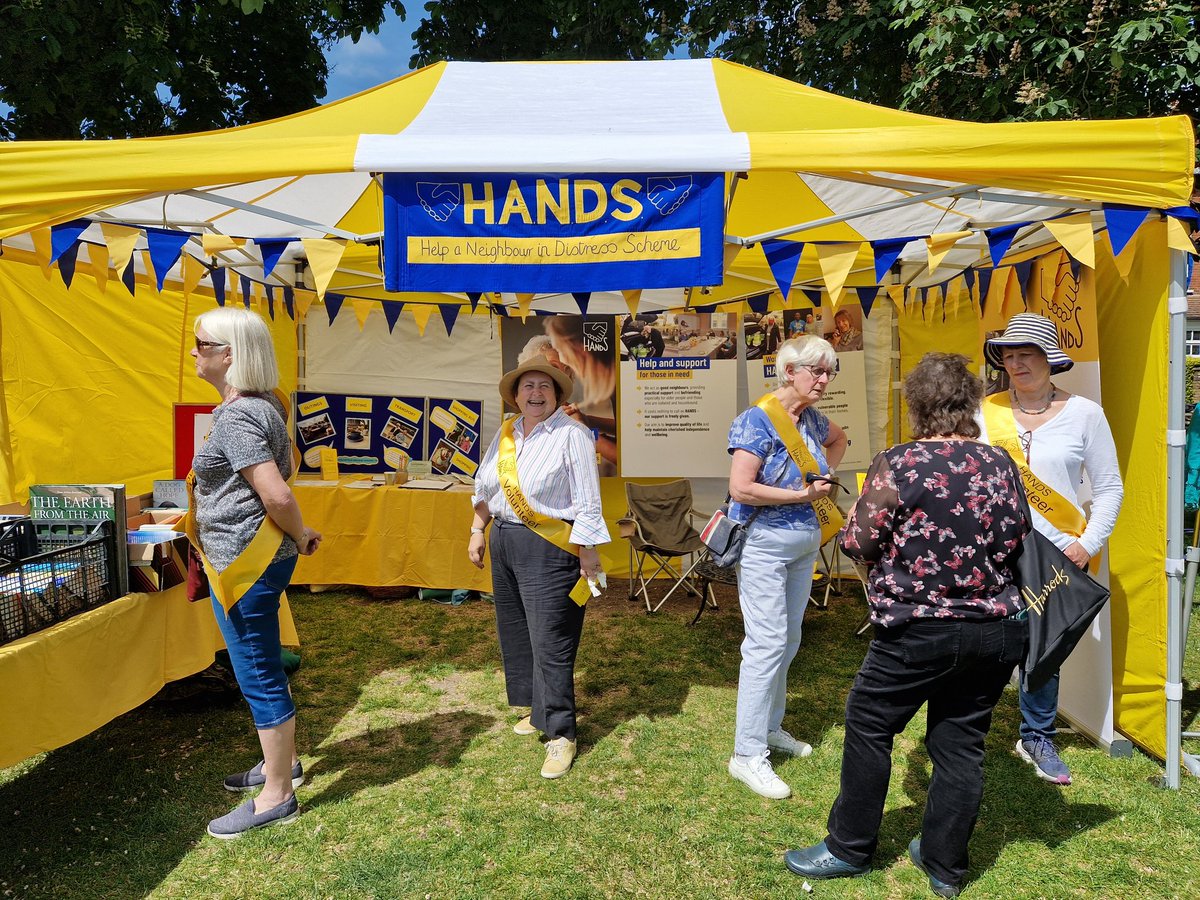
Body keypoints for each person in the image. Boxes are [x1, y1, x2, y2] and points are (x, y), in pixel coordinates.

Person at [786, 352, 1030, 897]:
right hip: (994, 628)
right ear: (968, 404)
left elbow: (858, 540)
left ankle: (849, 847)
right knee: (962, 741)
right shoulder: (1000, 463)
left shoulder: (900, 462)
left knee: (870, 725)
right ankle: (945, 865)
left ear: (916, 406)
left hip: (918, 628)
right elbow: (1019, 536)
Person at [186, 307, 322, 839]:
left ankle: (277, 794)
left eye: (201, 343)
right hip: (257, 554)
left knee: (257, 671)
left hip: (247, 561)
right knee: (258, 663)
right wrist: (299, 533)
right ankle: (278, 765)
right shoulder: (264, 404)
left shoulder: (239, 415)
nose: (194, 352)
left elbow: (277, 493)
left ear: (229, 355)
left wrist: (299, 528)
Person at [981, 313, 1123, 786]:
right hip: (994, 551)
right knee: (987, 640)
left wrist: (1087, 544)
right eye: (1008, 355)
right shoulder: (986, 414)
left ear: (1050, 360)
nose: (1015, 363)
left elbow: (1109, 489)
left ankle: (1037, 734)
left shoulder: (1086, 414)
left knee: (1045, 648)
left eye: (1026, 354)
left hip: (1057, 551)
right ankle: (967, 728)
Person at [468, 357, 610, 779]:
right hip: (506, 541)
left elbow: (588, 500)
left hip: (551, 548)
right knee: (518, 631)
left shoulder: (573, 435)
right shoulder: (507, 432)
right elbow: (485, 484)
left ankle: (562, 733)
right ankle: (538, 712)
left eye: (544, 387)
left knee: (552, 638)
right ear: (516, 394)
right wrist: (478, 528)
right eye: (527, 386)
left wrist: (588, 553)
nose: (535, 394)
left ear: (556, 394)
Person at [725, 335, 848, 799]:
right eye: (816, 370)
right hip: (763, 544)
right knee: (766, 643)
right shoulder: (757, 420)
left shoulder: (811, 419)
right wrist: (803, 494)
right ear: (789, 371)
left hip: (803, 543)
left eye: (829, 371)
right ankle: (746, 753)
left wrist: (820, 478)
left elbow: (839, 440)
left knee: (790, 637)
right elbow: (741, 488)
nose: (824, 379)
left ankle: (771, 728)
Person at [544, 315, 618, 475]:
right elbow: (627, 427)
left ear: (580, 349)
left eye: (561, 351)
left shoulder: (617, 382)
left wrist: (584, 430)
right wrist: (586, 421)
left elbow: (632, 454)